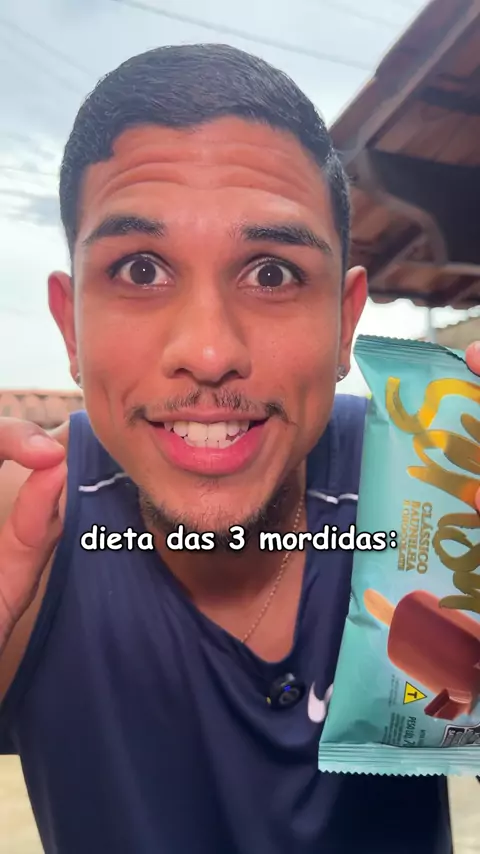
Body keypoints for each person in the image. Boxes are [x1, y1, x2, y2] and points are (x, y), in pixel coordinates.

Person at [0, 43, 478, 854]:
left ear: (345, 321)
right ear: (70, 325)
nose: (209, 350)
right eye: (141, 270)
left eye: (272, 274)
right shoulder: (27, 532)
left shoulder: (435, 489)